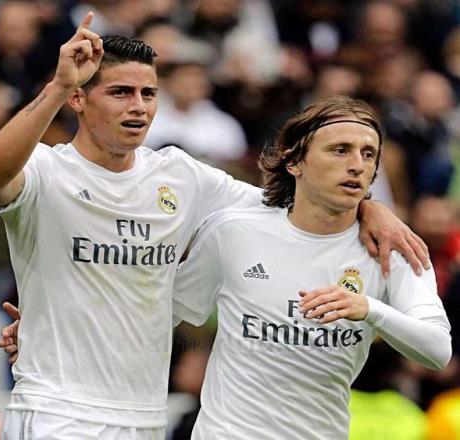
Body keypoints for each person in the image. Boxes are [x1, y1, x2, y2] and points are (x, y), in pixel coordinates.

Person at [0, 13, 428, 440]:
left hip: (144, 414)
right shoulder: (45, 170)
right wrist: (58, 86)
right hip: (58, 409)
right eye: (120, 92)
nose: (138, 107)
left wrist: (369, 208)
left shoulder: (181, 175)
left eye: (149, 94)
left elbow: (292, 208)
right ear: (79, 99)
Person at [171, 96, 451, 439]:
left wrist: (369, 309)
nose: (357, 165)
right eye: (340, 150)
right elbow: (172, 311)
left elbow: (438, 351)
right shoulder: (233, 230)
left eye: (368, 154)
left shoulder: (392, 251)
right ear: (294, 162)